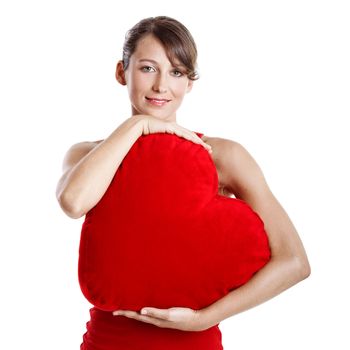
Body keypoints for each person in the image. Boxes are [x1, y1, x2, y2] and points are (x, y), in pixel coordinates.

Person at [56, 15, 311, 350]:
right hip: (106, 342)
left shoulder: (221, 155)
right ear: (122, 72)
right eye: (148, 68)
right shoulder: (88, 154)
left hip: (196, 343)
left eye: (176, 72)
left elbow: (294, 261)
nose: (162, 85)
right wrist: (138, 127)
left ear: (189, 82)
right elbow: (73, 202)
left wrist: (204, 318)